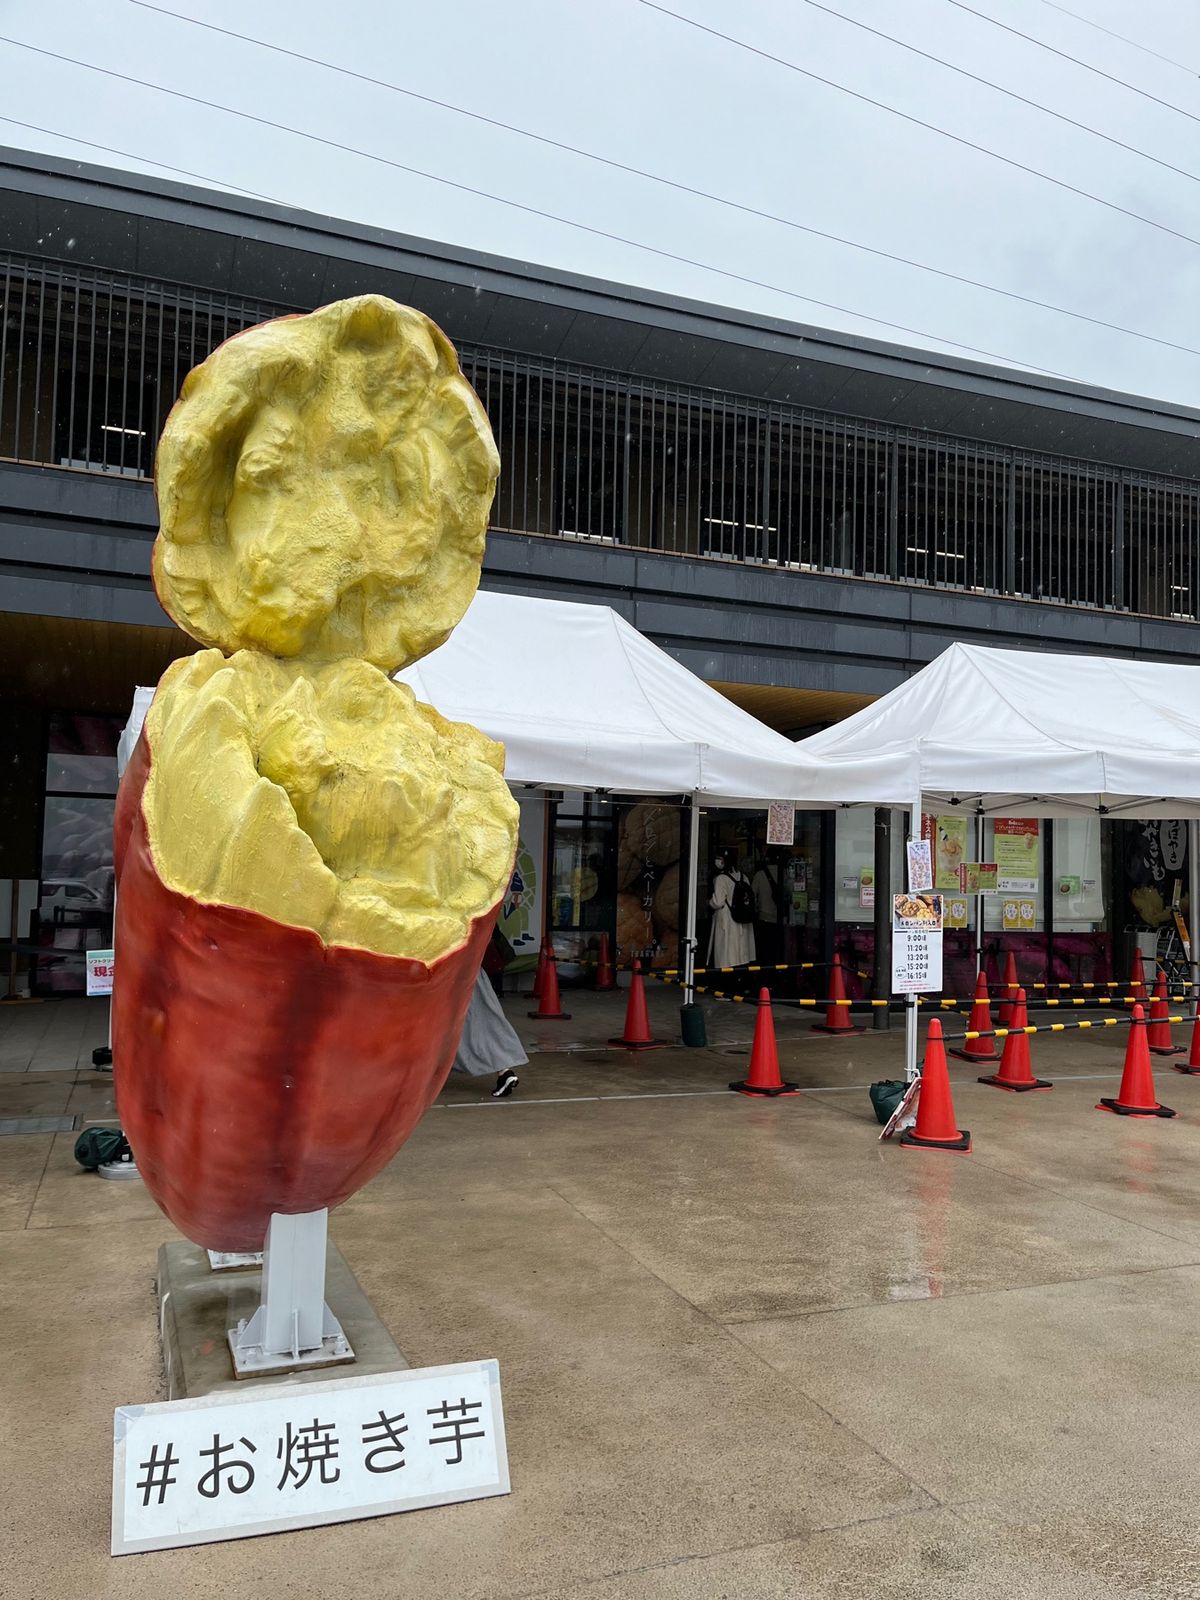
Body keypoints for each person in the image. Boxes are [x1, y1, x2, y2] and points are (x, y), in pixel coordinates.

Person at [707, 853, 755, 968]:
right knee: (742, 952)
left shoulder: (721, 879)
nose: (718, 861)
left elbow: (718, 902)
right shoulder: (744, 877)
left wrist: (708, 902)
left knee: (727, 953)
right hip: (743, 917)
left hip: (727, 920)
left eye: (720, 859)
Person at [752, 854, 784, 964]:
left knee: (765, 949)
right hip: (780, 919)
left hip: (764, 917)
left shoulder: (759, 875)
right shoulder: (784, 873)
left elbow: (752, 896)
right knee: (778, 949)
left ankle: (765, 970)